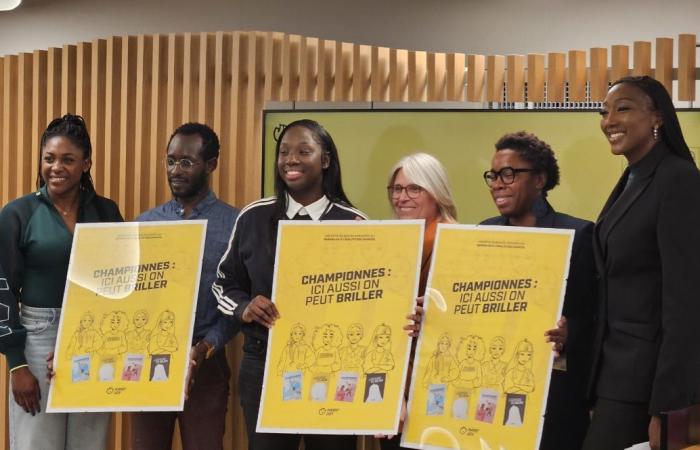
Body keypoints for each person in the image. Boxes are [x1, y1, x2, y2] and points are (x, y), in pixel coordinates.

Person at [213, 119, 366, 450]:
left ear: (325, 160)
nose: (290, 159)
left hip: (334, 366)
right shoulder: (253, 217)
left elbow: (371, 302)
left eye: (303, 151)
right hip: (264, 364)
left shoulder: (355, 223)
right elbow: (223, 285)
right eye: (284, 152)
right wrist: (244, 307)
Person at [582, 76, 700, 450]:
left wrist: (668, 408)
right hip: (612, 374)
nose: (609, 120)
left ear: (658, 117)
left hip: (647, 382)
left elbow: (685, 304)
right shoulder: (633, 176)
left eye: (624, 108)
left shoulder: (678, 180)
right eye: (604, 112)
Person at [0, 114, 123, 450]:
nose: (56, 167)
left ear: (86, 164)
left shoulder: (107, 212)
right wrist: (17, 364)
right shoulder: (17, 213)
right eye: (49, 158)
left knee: (90, 441)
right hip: (37, 340)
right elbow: (3, 289)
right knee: (37, 442)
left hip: (95, 335)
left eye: (68, 160)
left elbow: (123, 283)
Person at [481, 131, 596, 450]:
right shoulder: (482, 233)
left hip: (555, 396)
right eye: (493, 175)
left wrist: (572, 330)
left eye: (509, 173)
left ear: (540, 179)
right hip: (492, 390)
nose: (497, 183)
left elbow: (598, 313)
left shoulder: (578, 234)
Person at [130, 122, 239, 450]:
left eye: (187, 162)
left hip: (206, 361)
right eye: (171, 160)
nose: (175, 170)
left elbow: (238, 302)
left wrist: (205, 347)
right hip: (148, 361)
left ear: (211, 165)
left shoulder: (235, 224)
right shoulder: (144, 224)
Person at [381, 152, 458, 449]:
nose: (402, 197)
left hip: (438, 387)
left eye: (414, 188)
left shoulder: (459, 242)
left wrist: (436, 317)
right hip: (393, 383)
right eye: (397, 189)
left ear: (436, 191)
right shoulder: (390, 242)